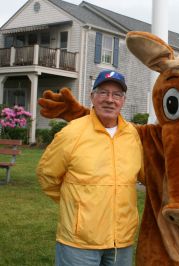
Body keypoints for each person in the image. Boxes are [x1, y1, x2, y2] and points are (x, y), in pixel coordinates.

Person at [37, 70, 144, 265]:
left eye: (116, 94)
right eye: (103, 92)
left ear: (123, 101)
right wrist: (76, 205)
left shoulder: (132, 135)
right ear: (92, 97)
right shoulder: (72, 133)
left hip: (121, 241)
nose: (110, 99)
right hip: (79, 242)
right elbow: (47, 176)